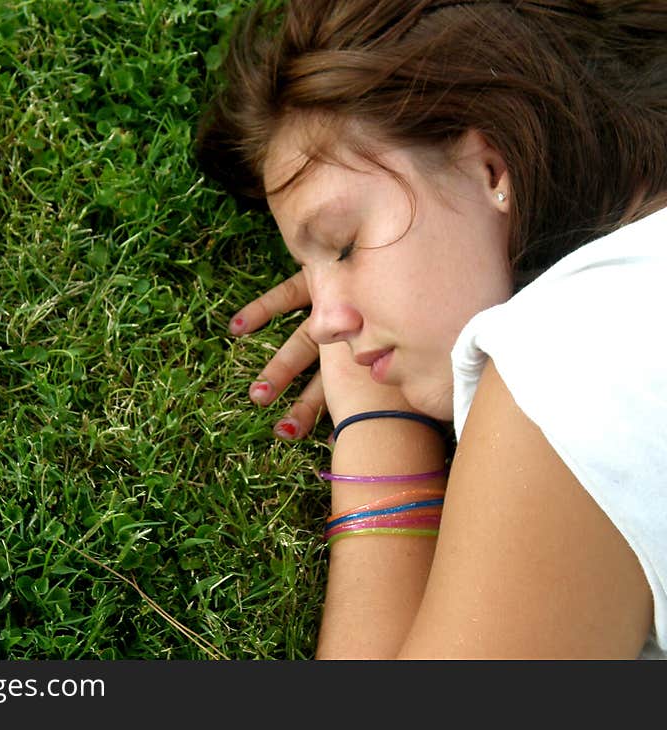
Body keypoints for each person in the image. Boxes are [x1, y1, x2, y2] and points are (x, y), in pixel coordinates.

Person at [195, 0, 667, 658]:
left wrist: (377, 430)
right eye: (310, 270)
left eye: (344, 243)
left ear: (491, 168)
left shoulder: (571, 353)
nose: (327, 323)